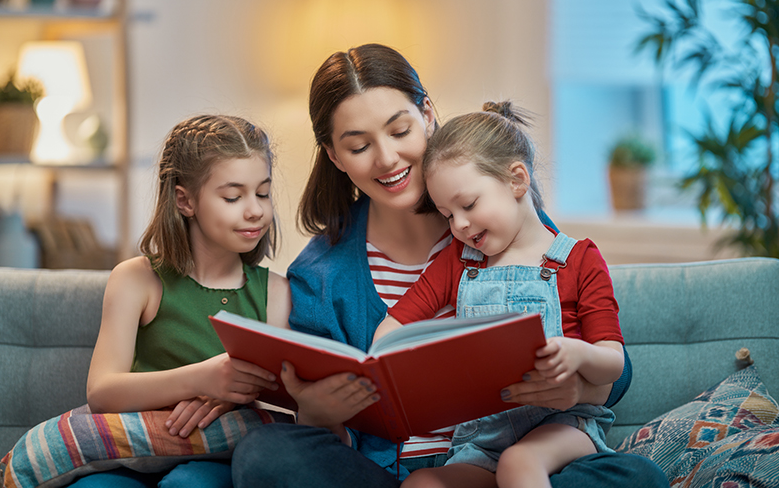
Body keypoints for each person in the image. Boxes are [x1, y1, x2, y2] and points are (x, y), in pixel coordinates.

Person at [231, 44, 667, 488]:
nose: (386, 159)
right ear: (335, 156)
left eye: (399, 130)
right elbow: (321, 436)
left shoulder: (496, 216)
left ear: (428, 115)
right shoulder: (321, 275)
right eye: (359, 146)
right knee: (265, 454)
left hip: (521, 462)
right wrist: (318, 412)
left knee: (637, 476)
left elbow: (614, 363)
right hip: (394, 476)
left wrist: (576, 390)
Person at [373, 101, 624, 488]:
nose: (459, 224)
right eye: (447, 214)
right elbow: (395, 325)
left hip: (561, 426)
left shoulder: (579, 259)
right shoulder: (459, 262)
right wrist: (389, 363)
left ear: (517, 180)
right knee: (421, 483)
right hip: (482, 441)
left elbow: (614, 362)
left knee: (519, 464)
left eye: (469, 204)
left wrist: (576, 353)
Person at [68, 115, 292, 488]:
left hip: (217, 456)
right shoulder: (137, 279)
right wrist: (203, 379)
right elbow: (102, 392)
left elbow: (280, 400)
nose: (255, 209)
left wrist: (227, 395)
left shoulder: (275, 293)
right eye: (233, 197)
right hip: (130, 454)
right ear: (184, 200)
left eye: (263, 193)